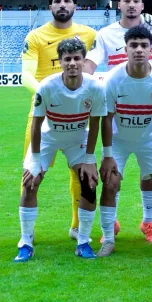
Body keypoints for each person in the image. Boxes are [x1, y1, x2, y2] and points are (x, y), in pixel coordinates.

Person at [84, 0, 152, 243]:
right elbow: (90, 64)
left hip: (146, 115)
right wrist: (82, 87)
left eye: (136, 1)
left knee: (150, 176)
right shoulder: (106, 34)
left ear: (143, 5)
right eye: (126, 0)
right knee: (111, 178)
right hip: (118, 110)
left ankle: (148, 222)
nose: (131, 5)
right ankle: (111, 224)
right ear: (118, 4)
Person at [15, 38, 107, 262]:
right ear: (60, 62)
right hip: (49, 137)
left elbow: (95, 124)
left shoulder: (95, 87)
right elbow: (36, 124)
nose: (72, 63)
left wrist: (89, 158)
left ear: (84, 61)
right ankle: (25, 243)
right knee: (30, 182)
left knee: (89, 183)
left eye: (77, 58)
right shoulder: (47, 86)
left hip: (77, 139)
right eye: (67, 59)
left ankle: (83, 242)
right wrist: (35, 159)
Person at [21, 0, 96, 241]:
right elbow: (26, 75)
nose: (62, 4)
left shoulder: (90, 35)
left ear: (75, 5)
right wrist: (49, 94)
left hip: (78, 114)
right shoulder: (35, 36)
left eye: (66, 0)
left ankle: (77, 227)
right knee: (31, 172)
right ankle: (27, 234)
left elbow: (94, 70)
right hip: (42, 116)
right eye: (57, 1)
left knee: (81, 173)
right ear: (50, 6)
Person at [98, 26, 152, 257]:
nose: (139, 50)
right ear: (125, 50)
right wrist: (108, 155)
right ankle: (108, 239)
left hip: (149, 139)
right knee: (110, 183)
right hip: (118, 140)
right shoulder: (113, 78)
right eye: (134, 45)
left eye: (144, 45)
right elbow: (106, 119)